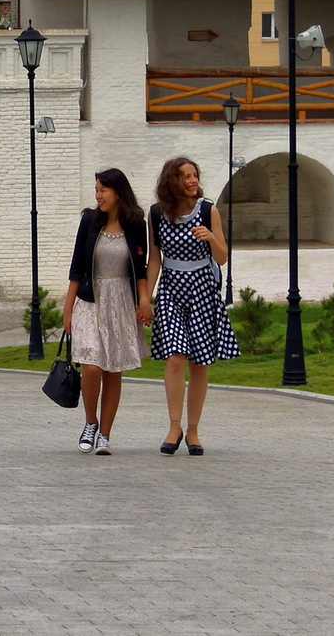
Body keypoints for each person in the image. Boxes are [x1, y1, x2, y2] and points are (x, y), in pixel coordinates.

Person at [149, 156, 239, 455]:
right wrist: (145, 300)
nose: (192, 181)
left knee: (200, 362)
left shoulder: (207, 209)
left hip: (202, 288)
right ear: (171, 181)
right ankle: (174, 426)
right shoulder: (157, 214)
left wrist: (212, 238)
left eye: (195, 175)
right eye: (186, 176)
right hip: (172, 289)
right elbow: (154, 260)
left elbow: (223, 257)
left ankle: (194, 431)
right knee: (175, 357)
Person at [63, 167, 151, 456]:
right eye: (97, 189)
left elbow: (141, 268)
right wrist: (67, 309)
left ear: (118, 192)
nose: (98, 195)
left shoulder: (136, 222)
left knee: (113, 370)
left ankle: (105, 435)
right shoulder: (89, 221)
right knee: (91, 365)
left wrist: (144, 301)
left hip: (121, 301)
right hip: (90, 300)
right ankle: (90, 421)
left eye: (103, 189)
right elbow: (76, 267)